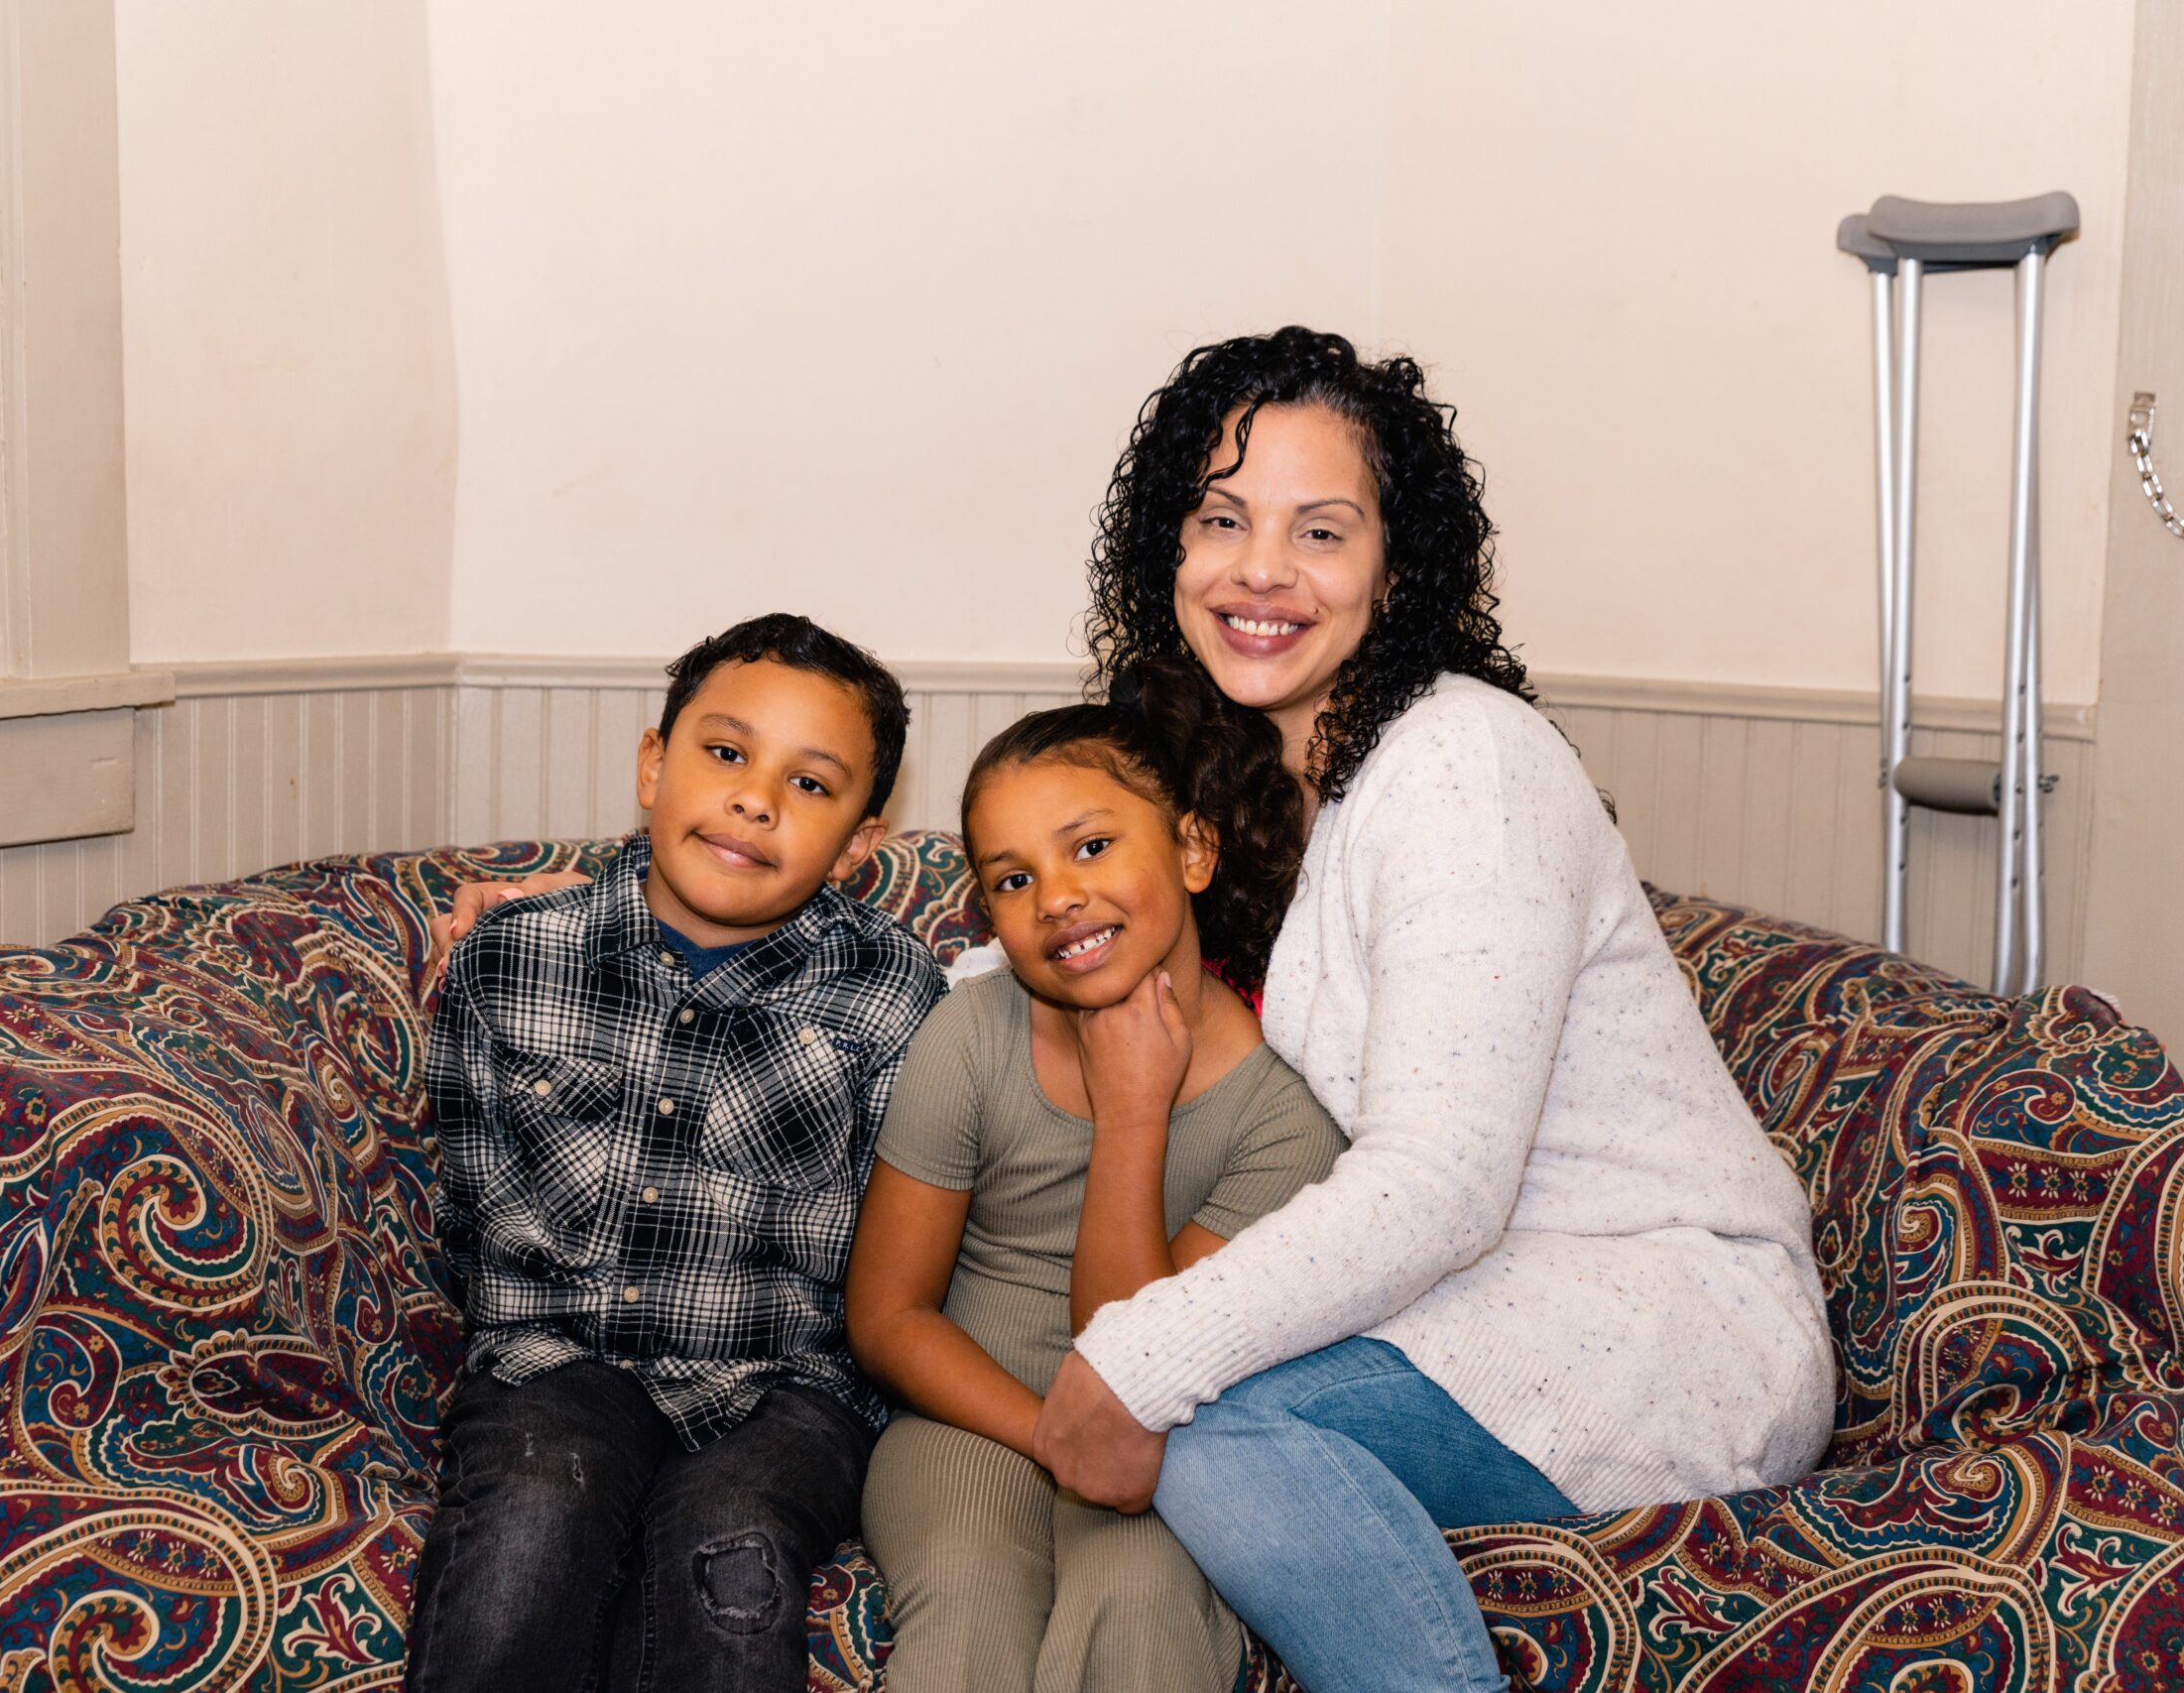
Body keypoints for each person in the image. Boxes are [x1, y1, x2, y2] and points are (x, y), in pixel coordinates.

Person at [1024, 326, 1838, 1693]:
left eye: (1320, 531)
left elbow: (1444, 1182)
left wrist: (1138, 1355)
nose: (1260, 570)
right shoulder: (1251, 772)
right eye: (1221, 518)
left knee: (1210, 1424)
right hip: (1465, 1297)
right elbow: (1075, 939)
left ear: (1396, 572)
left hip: (1662, 1312)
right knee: (1196, 1406)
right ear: (1169, 547)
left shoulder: (1464, 762)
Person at [406, 612, 946, 1693]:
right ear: (654, 765)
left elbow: (903, 1240)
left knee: (729, 1555)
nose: (754, 798)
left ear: (857, 845)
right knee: (530, 1527)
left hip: (787, 1384)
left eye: (809, 784)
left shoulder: (893, 996)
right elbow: (468, 1197)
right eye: (726, 753)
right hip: (556, 1359)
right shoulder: (513, 959)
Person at [843, 668, 1345, 1693]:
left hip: (1165, 1440)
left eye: (1090, 846)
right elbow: (889, 1315)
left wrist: (1132, 1116)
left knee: (1146, 1608)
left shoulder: (1285, 1123)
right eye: (1012, 879)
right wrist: (1049, 1437)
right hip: (966, 1418)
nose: (1058, 896)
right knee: (970, 1590)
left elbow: (1137, 1355)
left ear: (1193, 849)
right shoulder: (969, 1038)